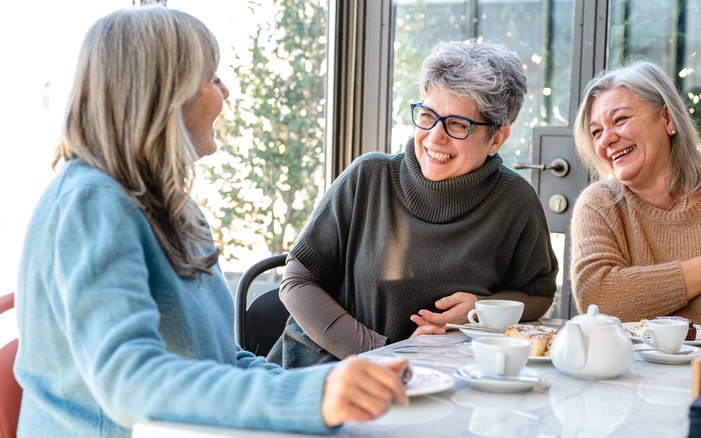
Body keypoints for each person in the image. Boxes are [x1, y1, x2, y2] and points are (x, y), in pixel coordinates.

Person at [14, 7, 408, 437]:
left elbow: (220, 359)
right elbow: (129, 383)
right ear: (164, 94)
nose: (226, 92)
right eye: (212, 79)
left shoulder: (176, 209)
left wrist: (326, 387)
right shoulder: (91, 204)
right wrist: (310, 398)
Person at [268, 39, 559, 368]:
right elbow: (296, 281)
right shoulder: (369, 177)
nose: (435, 136)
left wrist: (482, 307)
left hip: (446, 382)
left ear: (496, 138)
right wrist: (385, 351)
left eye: (458, 124)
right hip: (328, 374)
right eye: (427, 115)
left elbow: (538, 294)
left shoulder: (515, 201)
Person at [569, 59, 701, 352]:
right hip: (626, 380)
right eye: (596, 132)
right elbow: (599, 298)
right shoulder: (599, 204)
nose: (607, 139)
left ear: (667, 119)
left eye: (619, 120)